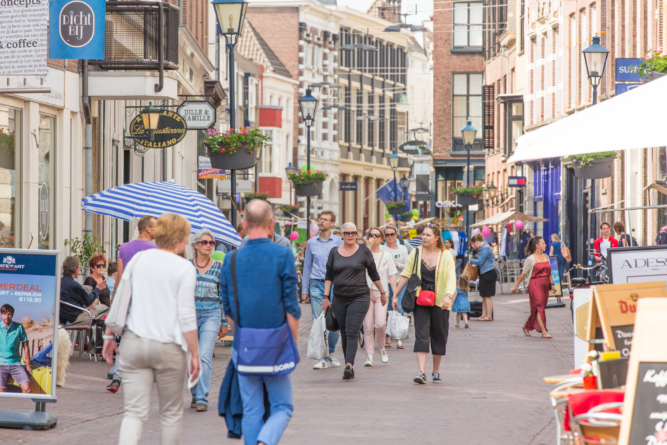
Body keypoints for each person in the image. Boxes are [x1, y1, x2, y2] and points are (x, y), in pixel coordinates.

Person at [102, 213, 201, 445]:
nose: (187, 242)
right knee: (170, 415)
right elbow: (186, 315)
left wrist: (109, 333)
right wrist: (194, 353)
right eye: (186, 237)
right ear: (178, 238)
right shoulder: (184, 268)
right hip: (169, 346)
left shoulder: (138, 260)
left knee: (134, 413)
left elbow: (121, 300)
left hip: (134, 343)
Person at [220, 199, 301, 445]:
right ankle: (265, 441)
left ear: (243, 225)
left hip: (244, 345)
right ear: (271, 224)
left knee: (252, 410)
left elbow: (229, 310)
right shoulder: (282, 254)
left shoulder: (230, 260)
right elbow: (292, 307)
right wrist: (292, 343)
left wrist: (242, 335)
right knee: (282, 406)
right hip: (276, 344)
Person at [393, 223, 456, 384]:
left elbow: (451, 279)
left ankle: (435, 371)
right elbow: (406, 275)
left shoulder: (446, 255)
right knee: (421, 334)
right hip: (420, 300)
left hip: (440, 301)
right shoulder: (415, 252)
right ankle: (421, 372)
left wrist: (448, 296)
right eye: (423, 234)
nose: (424, 237)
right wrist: (395, 295)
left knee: (439, 335)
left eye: (428, 235)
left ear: (436, 238)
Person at [322, 222, 386, 380]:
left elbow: (373, 274)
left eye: (353, 233)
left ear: (357, 234)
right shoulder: (334, 252)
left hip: (359, 297)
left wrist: (383, 292)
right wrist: (325, 297)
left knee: (351, 331)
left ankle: (349, 365)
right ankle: (347, 363)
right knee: (344, 332)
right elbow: (329, 276)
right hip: (339, 298)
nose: (350, 236)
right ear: (342, 235)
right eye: (347, 233)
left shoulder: (364, 251)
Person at [107, 215, 157, 394]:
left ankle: (117, 378)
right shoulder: (156, 249)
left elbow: (119, 276)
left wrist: (115, 300)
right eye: (156, 226)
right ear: (148, 229)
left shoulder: (125, 248)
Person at [189, 229, 228, 412]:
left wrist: (224, 322)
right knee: (192, 357)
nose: (208, 246)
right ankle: (195, 393)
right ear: (195, 245)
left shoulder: (220, 268)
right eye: (204, 242)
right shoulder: (187, 267)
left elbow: (223, 296)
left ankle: (202, 398)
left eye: (211, 243)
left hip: (211, 315)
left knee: (204, 355)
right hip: (189, 317)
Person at [301, 210, 342, 370]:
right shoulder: (311, 243)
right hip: (317, 285)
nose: (321, 222)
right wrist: (304, 290)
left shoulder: (338, 242)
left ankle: (330, 353)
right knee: (319, 322)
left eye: (325, 219)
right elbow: (306, 268)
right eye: (320, 219)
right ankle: (323, 357)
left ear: (332, 223)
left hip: (335, 286)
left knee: (335, 322)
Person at [363, 227, 397, 366]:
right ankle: (369, 355)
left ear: (382, 239)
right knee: (368, 326)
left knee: (380, 324)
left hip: (381, 294)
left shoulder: (387, 255)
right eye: (371, 235)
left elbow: (392, 276)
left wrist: (394, 295)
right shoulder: (363, 254)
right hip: (365, 293)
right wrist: (367, 247)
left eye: (377, 235)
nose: (374, 237)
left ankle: (381, 348)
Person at [511, 236, 556, 339]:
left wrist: (552, 284)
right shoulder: (530, 259)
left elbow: (549, 273)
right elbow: (524, 274)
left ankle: (526, 326)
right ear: (537, 245)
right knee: (540, 307)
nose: (545, 245)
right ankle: (544, 331)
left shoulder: (546, 256)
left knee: (538, 309)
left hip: (545, 285)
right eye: (543, 243)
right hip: (535, 284)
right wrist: (516, 285)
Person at [381, 224, 409, 349]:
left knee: (399, 308)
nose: (390, 237)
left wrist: (398, 265)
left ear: (396, 235)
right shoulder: (382, 248)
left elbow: (408, 265)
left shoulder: (402, 248)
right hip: (386, 283)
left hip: (400, 282)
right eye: (387, 235)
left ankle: (398, 338)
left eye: (392, 234)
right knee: (386, 310)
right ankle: (388, 337)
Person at [60, 256, 108, 325]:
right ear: (76, 270)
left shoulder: (60, 282)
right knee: (106, 310)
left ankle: (102, 329)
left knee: (96, 304)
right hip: (78, 317)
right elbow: (88, 300)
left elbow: (72, 298)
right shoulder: (73, 285)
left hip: (67, 316)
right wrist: (98, 289)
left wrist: (84, 303)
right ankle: (108, 333)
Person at [0, 304, 31, 393]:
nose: (7, 317)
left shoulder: (19, 327)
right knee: (1, 391)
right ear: (1, 315)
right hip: (1, 364)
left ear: (12, 315)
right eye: (4, 314)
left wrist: (28, 366)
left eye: (9, 314)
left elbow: (26, 347)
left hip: (16, 364)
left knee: (27, 389)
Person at [469, 234, 496, 321]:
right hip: (484, 273)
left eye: (474, 244)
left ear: (476, 242)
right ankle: (484, 315)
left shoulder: (485, 248)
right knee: (483, 295)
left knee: (487, 295)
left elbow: (480, 261)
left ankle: (489, 315)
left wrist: (470, 261)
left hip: (488, 273)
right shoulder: (483, 248)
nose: (474, 247)